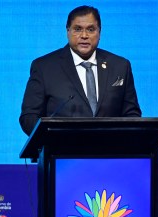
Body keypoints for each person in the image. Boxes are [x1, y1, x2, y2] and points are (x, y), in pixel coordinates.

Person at [19, 5, 142, 136]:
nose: (84, 35)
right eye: (77, 29)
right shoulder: (44, 67)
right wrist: (53, 139)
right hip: (61, 151)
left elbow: (132, 114)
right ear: (68, 31)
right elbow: (29, 117)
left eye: (91, 29)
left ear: (99, 32)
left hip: (110, 152)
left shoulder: (120, 66)